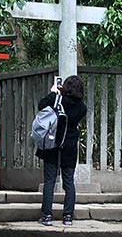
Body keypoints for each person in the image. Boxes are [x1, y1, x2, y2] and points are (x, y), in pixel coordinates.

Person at [36, 75, 87, 226]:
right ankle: (68, 216)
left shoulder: (57, 99)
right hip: (70, 147)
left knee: (49, 181)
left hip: (53, 145)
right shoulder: (82, 108)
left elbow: (41, 105)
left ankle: (46, 215)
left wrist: (53, 93)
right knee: (69, 182)